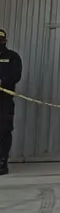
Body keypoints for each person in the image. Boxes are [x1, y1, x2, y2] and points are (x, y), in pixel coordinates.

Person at [0, 28, 22, 176]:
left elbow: (16, 76)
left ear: (5, 41)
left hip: (4, 101)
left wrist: (2, 81)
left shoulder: (13, 57)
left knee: (3, 131)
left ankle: (2, 162)